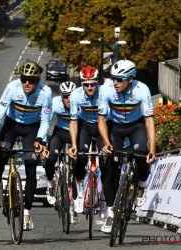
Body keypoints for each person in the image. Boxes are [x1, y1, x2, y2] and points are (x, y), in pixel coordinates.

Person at [0, 60, 52, 230]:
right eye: (24, 79)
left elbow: (46, 122)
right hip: (11, 124)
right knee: (0, 154)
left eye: (31, 80)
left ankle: (27, 214)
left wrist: (40, 140)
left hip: (32, 127)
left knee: (31, 166)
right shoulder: (12, 87)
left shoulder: (46, 93)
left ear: (37, 80)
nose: (26, 83)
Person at [98, 59, 156, 233]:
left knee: (141, 154)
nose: (115, 82)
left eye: (119, 79)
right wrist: (107, 143)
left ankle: (142, 183)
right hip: (114, 127)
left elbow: (149, 122)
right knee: (109, 168)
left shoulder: (142, 90)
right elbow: (101, 120)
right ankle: (110, 213)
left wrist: (152, 149)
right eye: (113, 78)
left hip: (136, 126)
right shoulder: (106, 89)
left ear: (130, 79)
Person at [67, 66, 107, 218]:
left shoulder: (105, 92)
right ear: (81, 84)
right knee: (81, 157)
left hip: (103, 126)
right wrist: (74, 145)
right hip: (85, 126)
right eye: (86, 84)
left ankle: (103, 198)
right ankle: (78, 195)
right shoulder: (75, 95)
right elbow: (73, 122)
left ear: (97, 82)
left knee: (105, 163)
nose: (89, 87)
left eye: (92, 84)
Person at [41, 81, 79, 224]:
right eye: (65, 96)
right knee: (50, 158)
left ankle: (75, 204)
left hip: (76, 133)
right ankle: (51, 184)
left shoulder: (80, 103)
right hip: (60, 132)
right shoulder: (55, 103)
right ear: (61, 96)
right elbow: (45, 123)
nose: (69, 99)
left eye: (71, 96)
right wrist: (43, 144)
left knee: (77, 168)